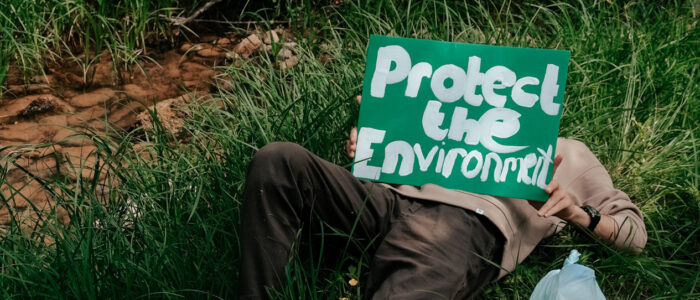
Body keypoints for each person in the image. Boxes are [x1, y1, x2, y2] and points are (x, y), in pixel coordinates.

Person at [237, 97, 647, 299]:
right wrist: (374, 145)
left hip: (465, 222)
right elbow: (383, 159)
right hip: (384, 201)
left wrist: (578, 213)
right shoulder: (444, 117)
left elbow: (634, 235)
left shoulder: (570, 152)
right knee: (278, 160)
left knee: (436, 238)